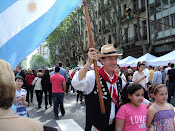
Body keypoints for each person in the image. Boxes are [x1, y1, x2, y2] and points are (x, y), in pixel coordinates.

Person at [72, 44, 123, 130]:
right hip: (96, 127)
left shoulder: (118, 80)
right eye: (110, 59)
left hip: (114, 127)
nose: (114, 62)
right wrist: (89, 63)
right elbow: (77, 83)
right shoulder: (93, 76)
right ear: (102, 61)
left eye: (115, 59)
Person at [0, 59, 43, 131]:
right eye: (17, 81)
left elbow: (26, 103)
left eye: (21, 81)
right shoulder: (34, 126)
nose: (19, 83)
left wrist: (24, 102)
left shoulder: (24, 91)